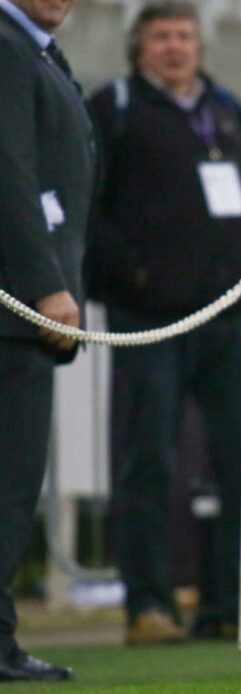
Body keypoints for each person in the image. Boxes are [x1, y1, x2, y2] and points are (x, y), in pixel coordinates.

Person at [85, 1, 241, 644]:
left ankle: (238, 602)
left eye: (185, 35)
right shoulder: (115, 106)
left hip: (230, 314)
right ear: (138, 48)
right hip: (149, 319)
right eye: (161, 37)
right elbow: (88, 205)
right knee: (147, 461)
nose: (175, 47)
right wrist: (135, 279)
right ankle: (148, 608)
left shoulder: (227, 110)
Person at [0, 0, 92, 682]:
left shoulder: (32, 48)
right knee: (8, 482)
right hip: (17, 308)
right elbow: (11, 173)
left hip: (26, 305)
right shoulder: (6, 45)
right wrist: (44, 284)